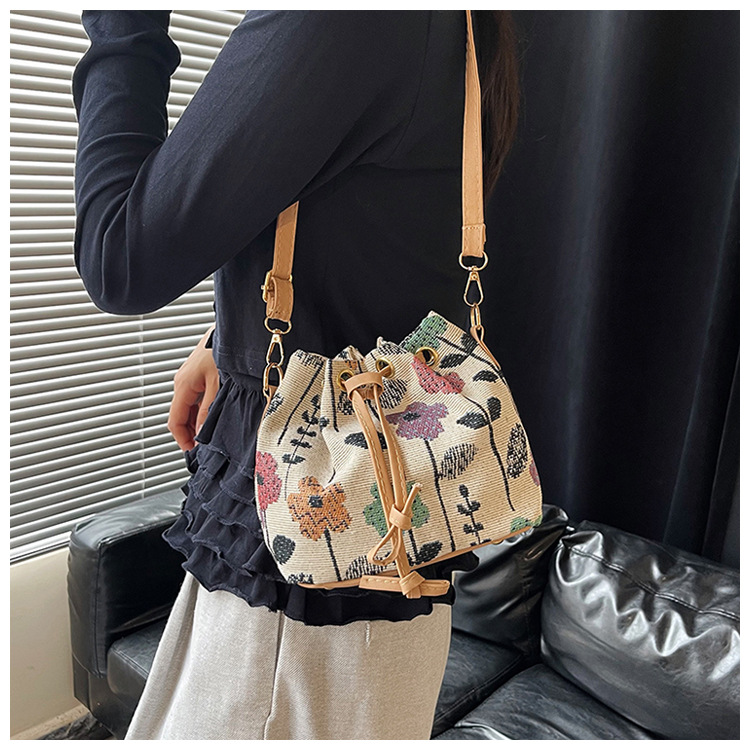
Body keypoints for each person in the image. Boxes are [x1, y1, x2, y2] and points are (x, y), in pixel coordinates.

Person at [72, 10, 519, 740]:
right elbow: (383, 237)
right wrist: (231, 337)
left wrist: (123, 27)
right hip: (366, 552)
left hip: (303, 594)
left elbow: (118, 255)